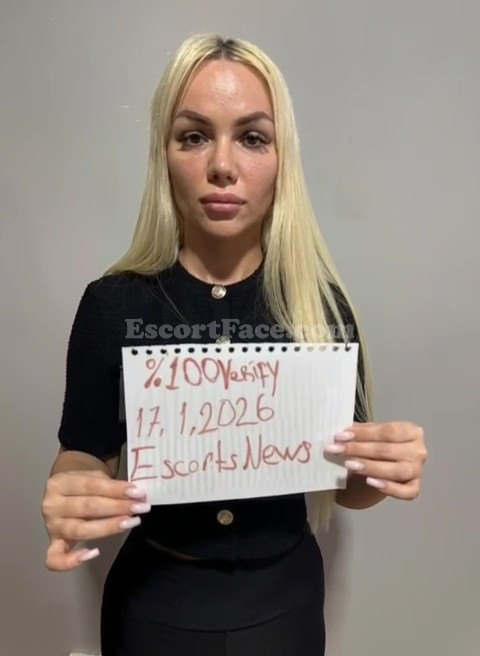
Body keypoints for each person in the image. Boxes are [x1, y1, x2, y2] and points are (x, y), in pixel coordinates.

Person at [41, 33, 428, 656]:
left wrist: (381, 470)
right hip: (153, 608)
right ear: (164, 154)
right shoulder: (113, 304)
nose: (222, 165)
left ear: (281, 158)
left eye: (252, 137)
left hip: (285, 607)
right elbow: (85, 452)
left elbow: (347, 486)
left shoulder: (321, 307)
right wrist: (72, 490)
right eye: (194, 136)